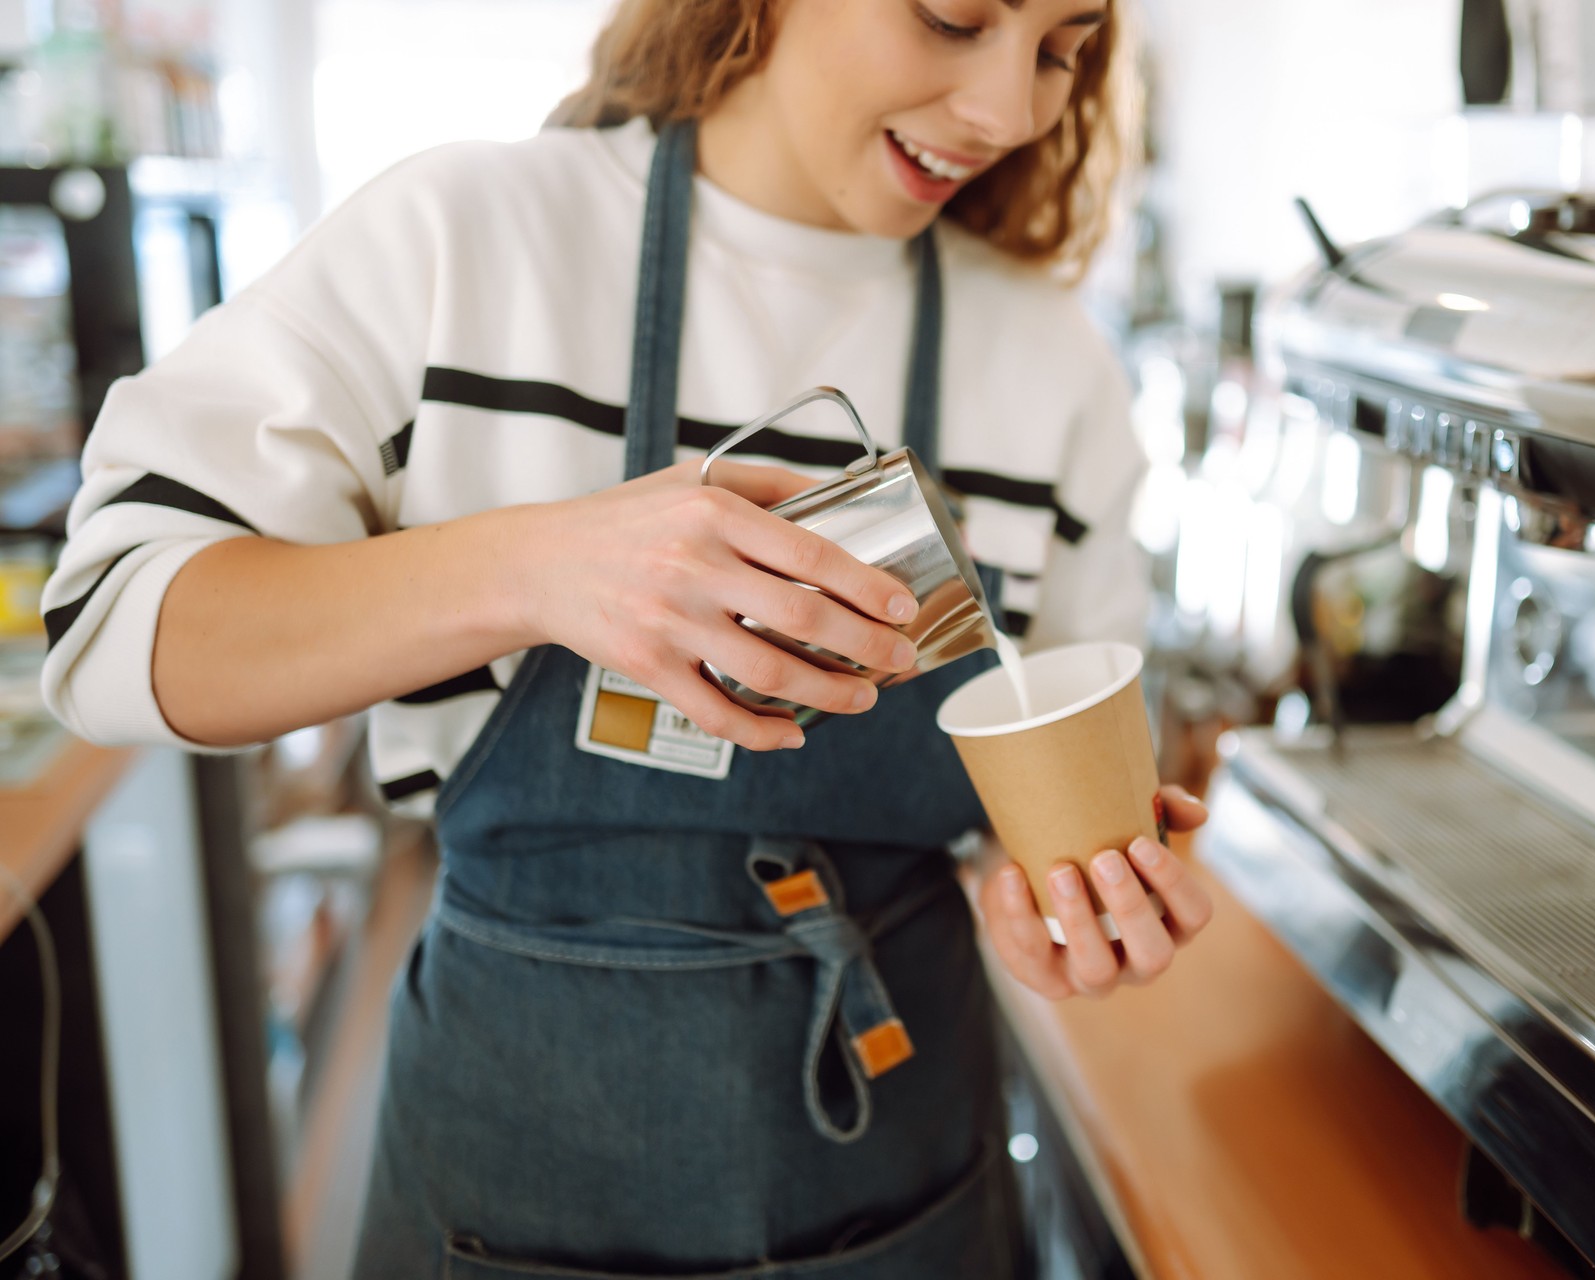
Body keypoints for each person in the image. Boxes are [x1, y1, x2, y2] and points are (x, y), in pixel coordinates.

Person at [40, 0, 1215, 1273]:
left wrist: (1065, 902)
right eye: (952, 19)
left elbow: (1053, 811)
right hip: (509, 1194)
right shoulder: (462, 245)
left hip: (910, 1185)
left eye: (1060, 50)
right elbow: (109, 624)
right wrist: (528, 565)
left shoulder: (1053, 369)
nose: (1008, 109)